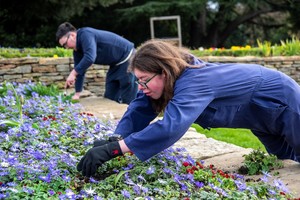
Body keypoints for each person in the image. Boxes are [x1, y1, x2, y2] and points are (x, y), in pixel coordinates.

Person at [77, 39, 300, 177]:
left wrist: (115, 150)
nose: (141, 87)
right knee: (284, 159)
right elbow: (141, 107)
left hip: (281, 100)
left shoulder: (194, 80)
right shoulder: (166, 77)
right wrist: (116, 137)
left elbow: (170, 127)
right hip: (257, 115)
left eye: (144, 80)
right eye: (138, 81)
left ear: (163, 72)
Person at [56, 22, 138, 104]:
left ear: (73, 35)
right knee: (109, 96)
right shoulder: (77, 51)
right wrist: (77, 94)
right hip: (115, 64)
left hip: (128, 57)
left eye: (65, 44)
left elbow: (90, 57)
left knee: (129, 98)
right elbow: (80, 71)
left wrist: (73, 73)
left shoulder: (85, 34)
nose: (66, 48)